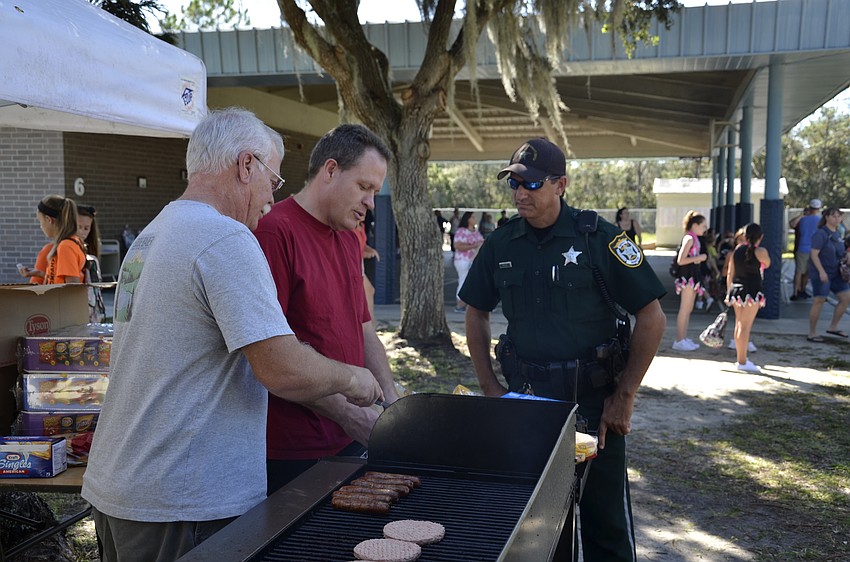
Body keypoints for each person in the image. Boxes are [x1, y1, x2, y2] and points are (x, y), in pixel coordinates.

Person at [81, 108, 382, 562]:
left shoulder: (152, 233)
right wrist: (351, 378)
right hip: (182, 499)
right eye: (272, 181)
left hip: (121, 486)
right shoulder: (225, 237)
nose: (269, 198)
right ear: (246, 165)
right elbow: (280, 368)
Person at [461, 137, 666, 562]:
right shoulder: (501, 244)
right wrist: (490, 387)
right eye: (513, 184)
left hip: (594, 407)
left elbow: (652, 315)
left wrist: (624, 395)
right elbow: (475, 311)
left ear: (561, 185)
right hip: (529, 407)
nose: (520, 194)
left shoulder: (601, 239)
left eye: (532, 185)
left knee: (605, 527)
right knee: (536, 528)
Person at [254, 124, 400, 495]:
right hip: (294, 451)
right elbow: (270, 358)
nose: (370, 202)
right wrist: (349, 414)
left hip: (353, 436)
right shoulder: (275, 232)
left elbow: (364, 329)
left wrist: (394, 409)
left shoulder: (350, 238)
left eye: (375, 192)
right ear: (330, 170)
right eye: (364, 187)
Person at [724, 223, 771, 373]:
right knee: (745, 327)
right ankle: (742, 361)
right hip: (752, 291)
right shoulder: (760, 251)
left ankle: (741, 358)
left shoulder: (737, 250)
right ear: (761, 237)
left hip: (737, 290)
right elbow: (768, 264)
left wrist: (727, 292)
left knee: (739, 324)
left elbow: (730, 273)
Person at [18, 195, 86, 285]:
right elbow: (59, 280)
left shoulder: (66, 246)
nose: (41, 226)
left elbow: (73, 285)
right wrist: (38, 273)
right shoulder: (70, 242)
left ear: (48, 219)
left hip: (60, 299)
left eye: (40, 221)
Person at [806, 207, 850, 342]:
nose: (837, 219)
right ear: (827, 217)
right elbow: (814, 254)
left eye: (839, 216)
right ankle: (812, 333)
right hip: (822, 273)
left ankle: (833, 327)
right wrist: (821, 271)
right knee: (819, 300)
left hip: (836, 272)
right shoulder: (821, 233)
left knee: (846, 298)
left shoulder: (838, 233)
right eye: (834, 216)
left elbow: (839, 251)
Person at [672, 211, 709, 351]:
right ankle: (679, 340)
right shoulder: (689, 239)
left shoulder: (695, 238)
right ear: (694, 225)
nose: (705, 229)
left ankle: (684, 337)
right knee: (684, 308)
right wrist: (699, 258)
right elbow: (681, 260)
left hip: (693, 275)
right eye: (703, 226)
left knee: (688, 308)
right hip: (687, 276)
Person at [77, 205, 106, 322]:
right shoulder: (68, 247)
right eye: (79, 227)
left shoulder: (90, 254)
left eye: (86, 228)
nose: (82, 232)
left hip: (91, 306)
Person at [789, 199, 823, 300]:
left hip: (802, 247)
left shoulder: (803, 219)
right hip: (814, 249)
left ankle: (795, 292)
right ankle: (802, 290)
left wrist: (802, 215)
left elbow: (792, 224)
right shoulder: (820, 221)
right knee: (807, 272)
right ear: (819, 208)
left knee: (799, 271)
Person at [452, 211, 484, 312]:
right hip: (463, 260)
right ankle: (460, 304)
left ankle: (468, 304)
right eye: (473, 217)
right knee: (463, 280)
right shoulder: (461, 231)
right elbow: (457, 245)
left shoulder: (476, 232)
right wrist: (473, 246)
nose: (475, 219)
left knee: (471, 282)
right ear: (468, 219)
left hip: (473, 260)